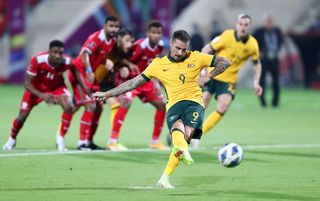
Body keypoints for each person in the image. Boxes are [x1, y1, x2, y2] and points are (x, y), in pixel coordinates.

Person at [92, 30, 231, 188]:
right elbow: (133, 83)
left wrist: (208, 76)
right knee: (179, 135)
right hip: (173, 106)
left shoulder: (197, 57)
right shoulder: (158, 64)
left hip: (194, 104)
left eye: (184, 49)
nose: (181, 52)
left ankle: (170, 168)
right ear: (171, 43)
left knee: (184, 136)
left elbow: (225, 62)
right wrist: (107, 94)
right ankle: (169, 172)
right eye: (178, 48)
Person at [2, 40, 90, 151]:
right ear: (49, 52)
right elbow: (27, 84)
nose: (58, 56)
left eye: (60, 53)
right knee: (21, 117)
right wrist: (42, 95)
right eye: (55, 52)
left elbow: (75, 69)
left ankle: (60, 138)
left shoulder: (66, 61)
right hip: (36, 90)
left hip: (56, 88)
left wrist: (85, 87)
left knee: (69, 106)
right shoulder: (37, 59)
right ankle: (12, 139)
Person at [193, 13, 263, 145]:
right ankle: (184, 130)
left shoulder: (253, 44)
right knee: (203, 102)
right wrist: (202, 70)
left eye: (246, 25)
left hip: (229, 80)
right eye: (241, 24)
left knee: (223, 106)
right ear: (237, 24)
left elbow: (257, 63)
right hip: (212, 75)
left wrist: (256, 82)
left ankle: (197, 135)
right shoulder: (226, 36)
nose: (243, 27)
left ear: (249, 27)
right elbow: (206, 48)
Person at [108, 21, 169, 151]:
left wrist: (157, 81)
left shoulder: (160, 46)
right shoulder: (139, 46)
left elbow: (154, 63)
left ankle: (154, 141)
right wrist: (127, 65)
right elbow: (119, 56)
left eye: (159, 33)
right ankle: (112, 141)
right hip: (132, 82)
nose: (156, 35)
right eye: (153, 33)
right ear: (148, 33)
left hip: (146, 82)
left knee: (162, 105)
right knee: (126, 103)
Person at [66, 16, 122, 150]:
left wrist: (110, 61)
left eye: (116, 26)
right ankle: (81, 143)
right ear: (105, 26)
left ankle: (89, 141)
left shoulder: (112, 40)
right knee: (90, 106)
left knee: (98, 108)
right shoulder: (97, 38)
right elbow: (85, 53)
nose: (114, 29)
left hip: (93, 77)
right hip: (80, 73)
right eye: (111, 26)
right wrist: (89, 70)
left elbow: (110, 55)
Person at [253, 14, 284, 107]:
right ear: (265, 22)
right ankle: (263, 102)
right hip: (264, 60)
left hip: (274, 59)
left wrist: (277, 50)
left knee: (276, 81)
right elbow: (253, 42)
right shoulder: (259, 32)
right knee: (262, 81)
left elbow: (281, 41)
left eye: (271, 21)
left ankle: (275, 102)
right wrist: (258, 53)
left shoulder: (277, 31)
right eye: (268, 21)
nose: (269, 23)